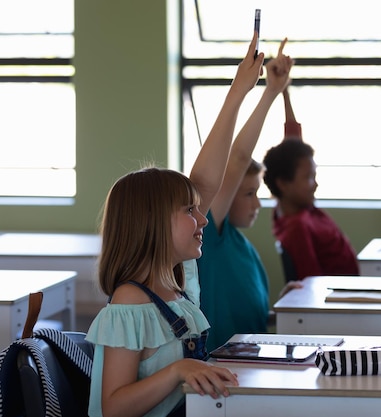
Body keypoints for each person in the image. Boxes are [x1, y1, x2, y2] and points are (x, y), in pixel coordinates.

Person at [86, 33, 264, 417]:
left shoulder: (176, 284)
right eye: (189, 212)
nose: (202, 218)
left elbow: (204, 182)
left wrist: (238, 92)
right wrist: (177, 371)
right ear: (151, 225)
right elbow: (114, 407)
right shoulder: (130, 303)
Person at [190, 38, 300, 352]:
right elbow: (238, 157)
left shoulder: (241, 246)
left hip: (248, 363)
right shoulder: (208, 233)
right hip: (220, 371)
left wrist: (279, 310)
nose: (258, 203)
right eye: (249, 193)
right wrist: (266, 93)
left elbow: (245, 320)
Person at [262, 86, 360, 281]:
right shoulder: (297, 226)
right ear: (283, 183)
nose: (315, 184)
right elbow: (312, 282)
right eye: (309, 178)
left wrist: (284, 92)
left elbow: (293, 144)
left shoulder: (293, 206)